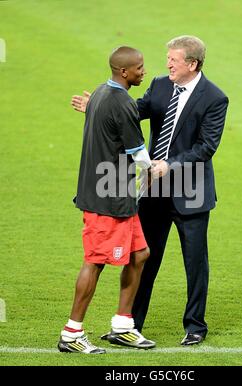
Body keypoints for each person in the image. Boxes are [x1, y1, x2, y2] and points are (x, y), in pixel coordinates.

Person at [71, 35, 229, 346]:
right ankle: (131, 324)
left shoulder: (214, 98)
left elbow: (206, 147)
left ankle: (195, 326)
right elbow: (133, 110)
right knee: (142, 257)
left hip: (190, 190)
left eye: (174, 59)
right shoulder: (160, 85)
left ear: (192, 64)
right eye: (168, 57)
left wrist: (169, 164)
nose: (167, 63)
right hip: (153, 189)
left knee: (195, 262)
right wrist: (99, 107)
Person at [58, 46, 156, 354]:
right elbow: (141, 158)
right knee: (96, 262)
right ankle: (72, 333)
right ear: (124, 72)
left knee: (140, 254)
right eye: (139, 68)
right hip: (108, 200)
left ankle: (122, 326)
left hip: (114, 195)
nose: (144, 71)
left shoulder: (101, 93)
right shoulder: (123, 103)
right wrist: (148, 184)